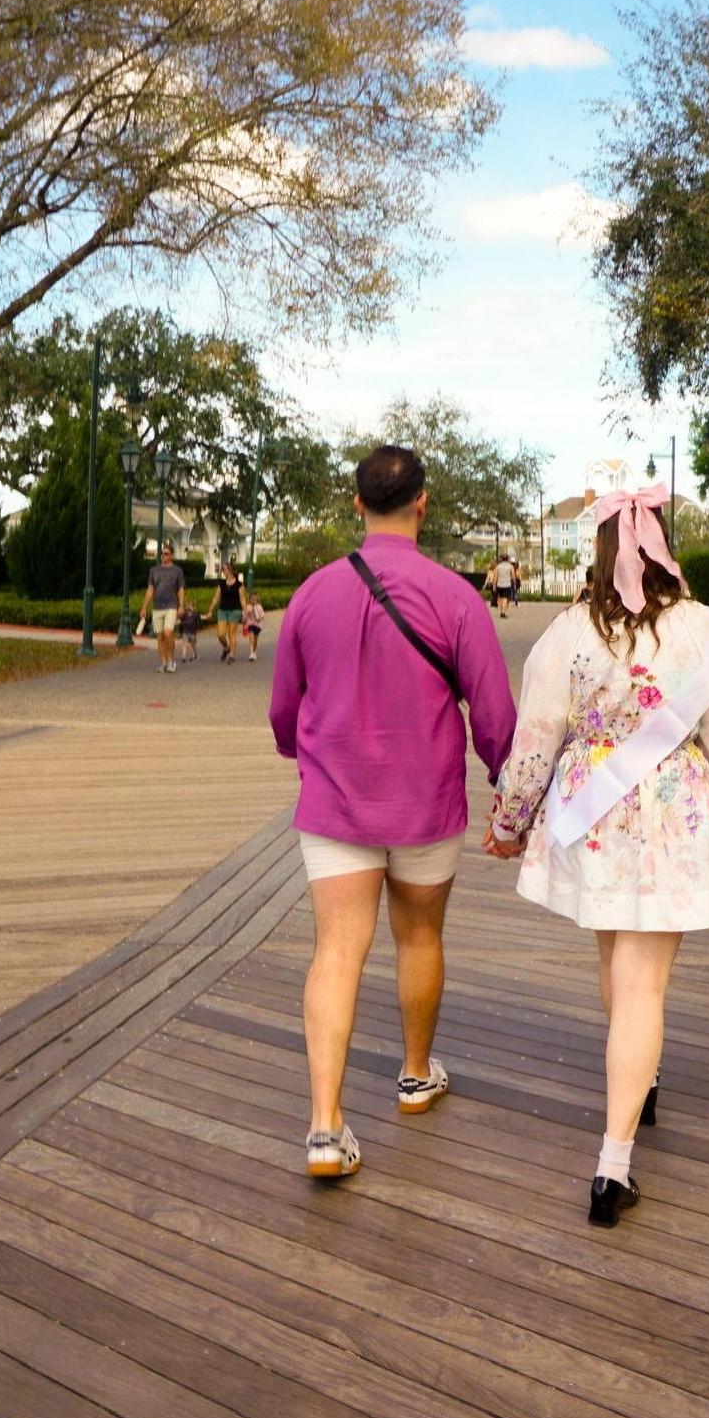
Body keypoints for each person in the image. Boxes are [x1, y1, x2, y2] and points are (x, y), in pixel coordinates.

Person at [483, 482, 709, 1227]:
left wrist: (510, 819)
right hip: (673, 811)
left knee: (618, 965)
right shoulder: (702, 629)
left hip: (594, 812)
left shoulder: (570, 630)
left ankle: (640, 1077)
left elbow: (535, 737)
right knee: (643, 985)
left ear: (601, 549)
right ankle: (612, 1166)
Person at [269, 444, 517, 1178]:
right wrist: (507, 783)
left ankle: (324, 1127)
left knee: (336, 950)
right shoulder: (456, 597)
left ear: (357, 504)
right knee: (420, 936)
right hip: (425, 802)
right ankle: (414, 1075)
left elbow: (284, 707)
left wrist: (301, 751)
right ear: (422, 503)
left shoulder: (312, 594)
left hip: (336, 803)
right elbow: (494, 714)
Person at [138, 542, 187, 674]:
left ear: (171, 555)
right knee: (160, 636)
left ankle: (171, 661)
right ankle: (163, 662)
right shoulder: (154, 570)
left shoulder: (177, 571)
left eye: (166, 554)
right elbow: (150, 589)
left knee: (168, 633)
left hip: (171, 605)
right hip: (157, 606)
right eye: (162, 554)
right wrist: (144, 607)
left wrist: (181, 605)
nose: (164, 556)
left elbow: (181, 589)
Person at [209, 562, 247, 663]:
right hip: (222, 610)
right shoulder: (221, 583)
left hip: (235, 610)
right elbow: (216, 597)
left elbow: (243, 599)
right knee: (220, 634)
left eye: (224, 569)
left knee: (231, 633)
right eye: (222, 569)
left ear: (231, 570)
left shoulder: (239, 584)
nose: (223, 571)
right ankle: (226, 648)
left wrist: (245, 612)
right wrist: (210, 610)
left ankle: (232, 655)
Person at [242, 592, 266, 661]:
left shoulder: (259, 607)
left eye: (255, 599)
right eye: (252, 599)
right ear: (249, 600)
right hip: (250, 625)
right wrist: (246, 615)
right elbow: (243, 616)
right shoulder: (247, 607)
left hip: (258, 625)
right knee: (251, 639)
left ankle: (254, 652)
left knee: (255, 639)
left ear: (257, 600)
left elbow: (262, 615)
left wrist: (259, 618)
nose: (253, 601)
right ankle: (251, 653)